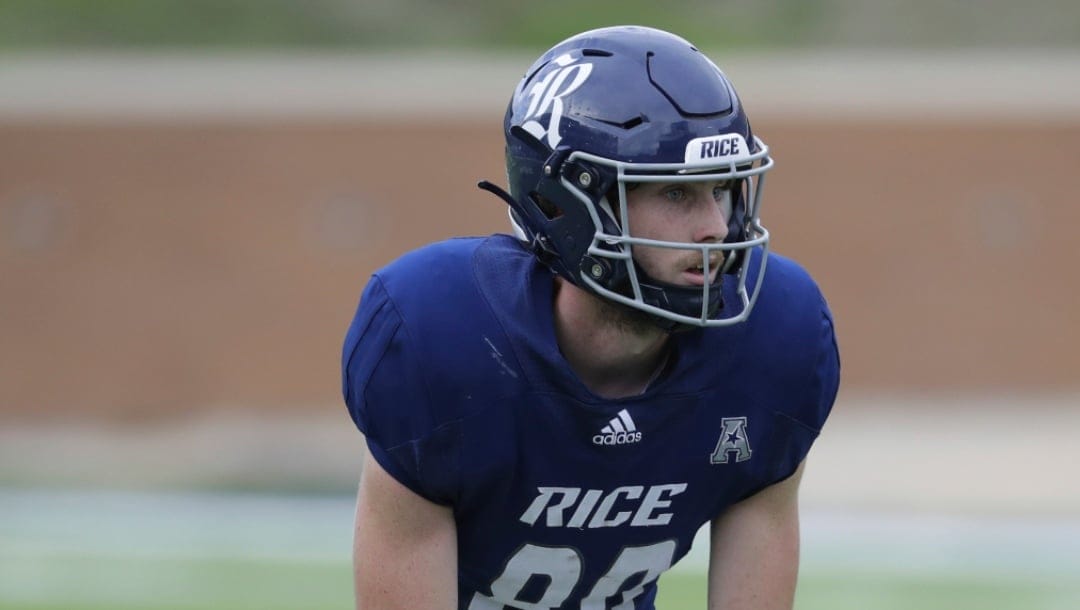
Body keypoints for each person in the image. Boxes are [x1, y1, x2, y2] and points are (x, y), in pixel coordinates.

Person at [341, 25, 840, 610]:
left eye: (722, 191)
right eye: (677, 195)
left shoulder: (776, 339)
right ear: (566, 204)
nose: (715, 228)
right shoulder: (440, 340)